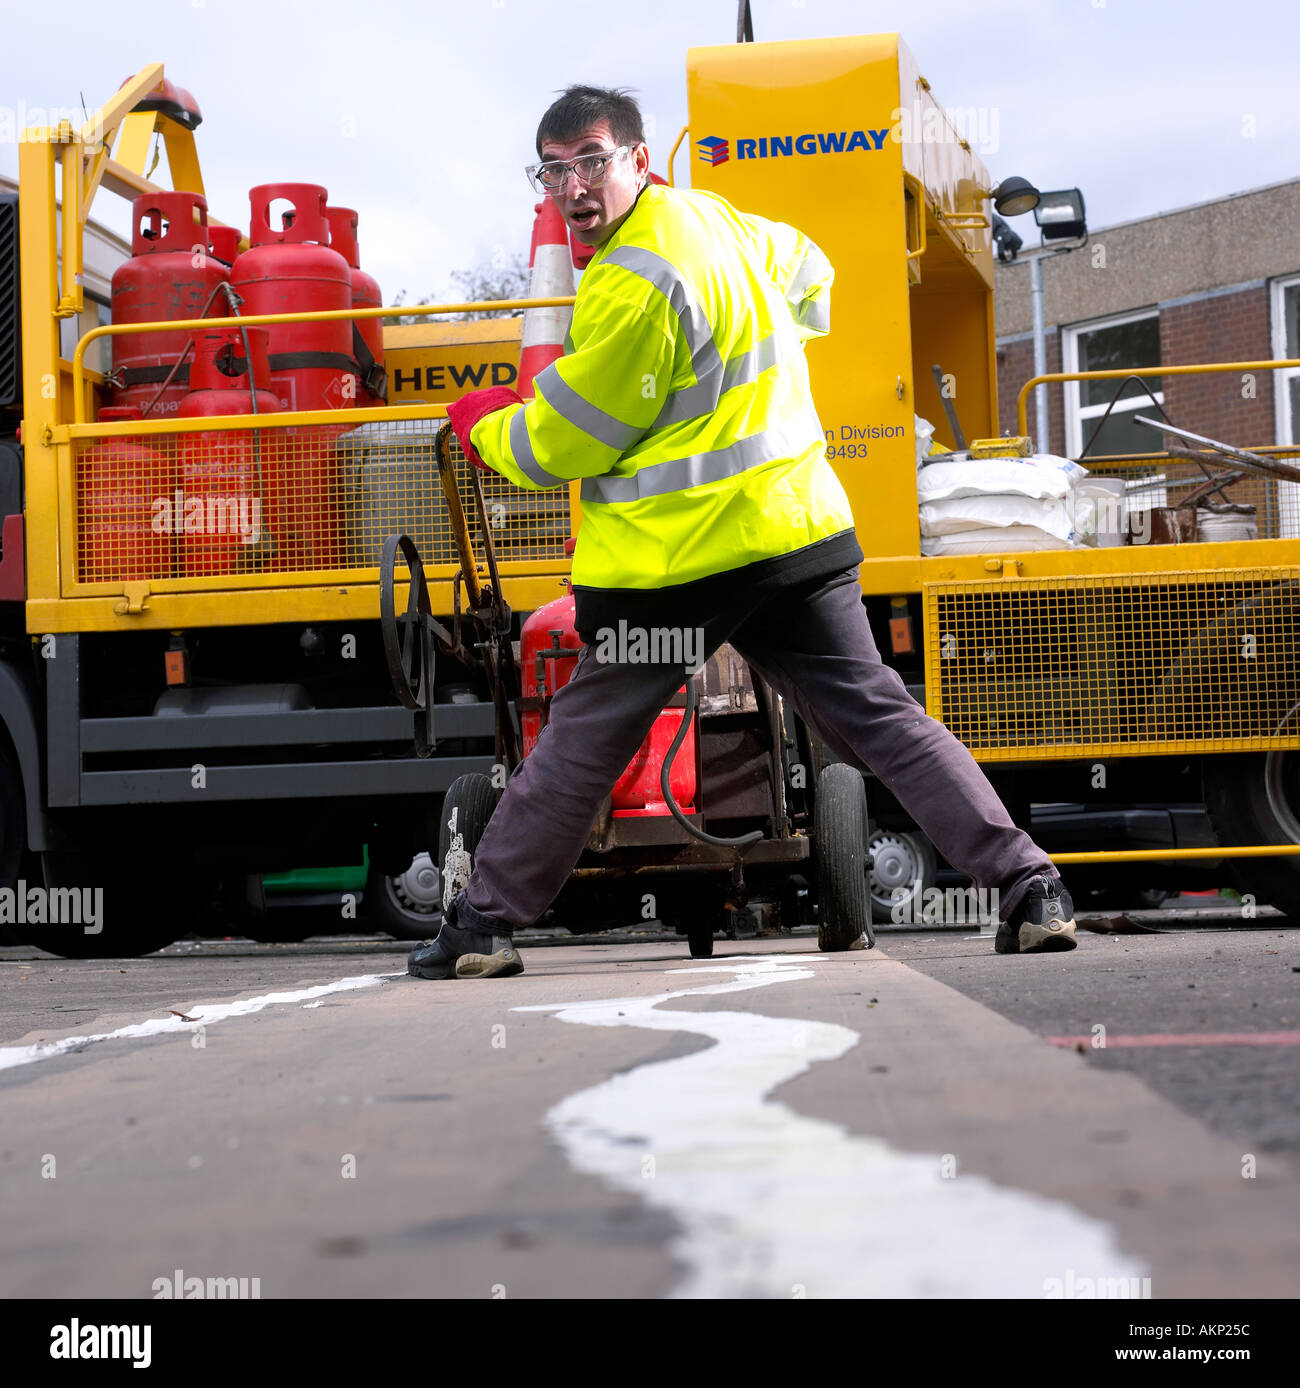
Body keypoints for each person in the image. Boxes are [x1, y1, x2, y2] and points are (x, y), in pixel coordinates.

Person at [407, 85, 1076, 981]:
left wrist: (490, 424)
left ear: (637, 161)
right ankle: (1032, 889)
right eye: (554, 170)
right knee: (883, 718)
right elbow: (811, 273)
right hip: (794, 538)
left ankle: (482, 926)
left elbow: (569, 440)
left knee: (582, 740)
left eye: (592, 161)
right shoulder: (716, 218)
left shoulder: (629, 279)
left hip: (678, 569)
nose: (574, 187)